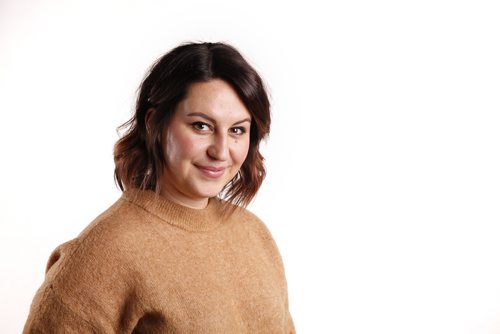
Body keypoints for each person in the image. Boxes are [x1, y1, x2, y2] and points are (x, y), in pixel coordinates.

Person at [23, 42, 295, 333]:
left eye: (237, 130)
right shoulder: (104, 254)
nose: (221, 150)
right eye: (201, 126)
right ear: (154, 123)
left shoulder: (255, 235)